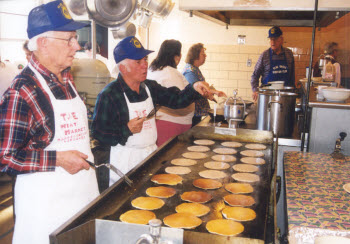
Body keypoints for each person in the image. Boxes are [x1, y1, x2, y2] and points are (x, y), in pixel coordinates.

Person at [0, 1, 99, 243]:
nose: (77, 46)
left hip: (83, 196)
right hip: (47, 210)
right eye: (69, 39)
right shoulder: (22, 90)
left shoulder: (66, 79)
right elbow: (5, 157)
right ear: (43, 42)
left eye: (75, 38)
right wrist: (58, 159)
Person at [91, 36, 214, 186]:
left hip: (149, 155)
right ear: (123, 67)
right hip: (125, 162)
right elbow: (99, 134)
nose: (145, 65)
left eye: (145, 60)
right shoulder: (109, 95)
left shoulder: (148, 87)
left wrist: (194, 88)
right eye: (138, 62)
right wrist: (126, 129)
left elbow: (176, 100)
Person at [147, 39, 194, 146]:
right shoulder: (170, 73)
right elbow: (180, 99)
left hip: (163, 123)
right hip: (171, 125)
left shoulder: (153, 69)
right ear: (176, 56)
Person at [182, 43, 225, 127]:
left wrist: (214, 92)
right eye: (203, 53)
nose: (205, 56)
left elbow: (202, 87)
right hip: (192, 113)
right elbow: (197, 90)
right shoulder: (190, 71)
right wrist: (213, 92)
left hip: (196, 113)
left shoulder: (195, 68)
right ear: (195, 55)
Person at [250, 26, 295, 101]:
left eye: (275, 39)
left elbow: (292, 76)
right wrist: (255, 90)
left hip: (284, 97)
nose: (273, 42)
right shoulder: (264, 55)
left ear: (281, 39)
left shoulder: (289, 54)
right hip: (267, 97)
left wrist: (292, 91)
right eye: (271, 39)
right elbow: (255, 75)